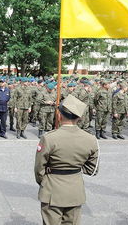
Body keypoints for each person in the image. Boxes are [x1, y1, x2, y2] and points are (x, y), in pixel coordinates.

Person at [34, 94, 99, 225]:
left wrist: (45, 181)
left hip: (52, 189)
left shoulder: (49, 138)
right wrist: (74, 168)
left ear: (59, 115)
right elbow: (93, 169)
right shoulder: (90, 139)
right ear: (79, 118)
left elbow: (39, 169)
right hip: (75, 190)